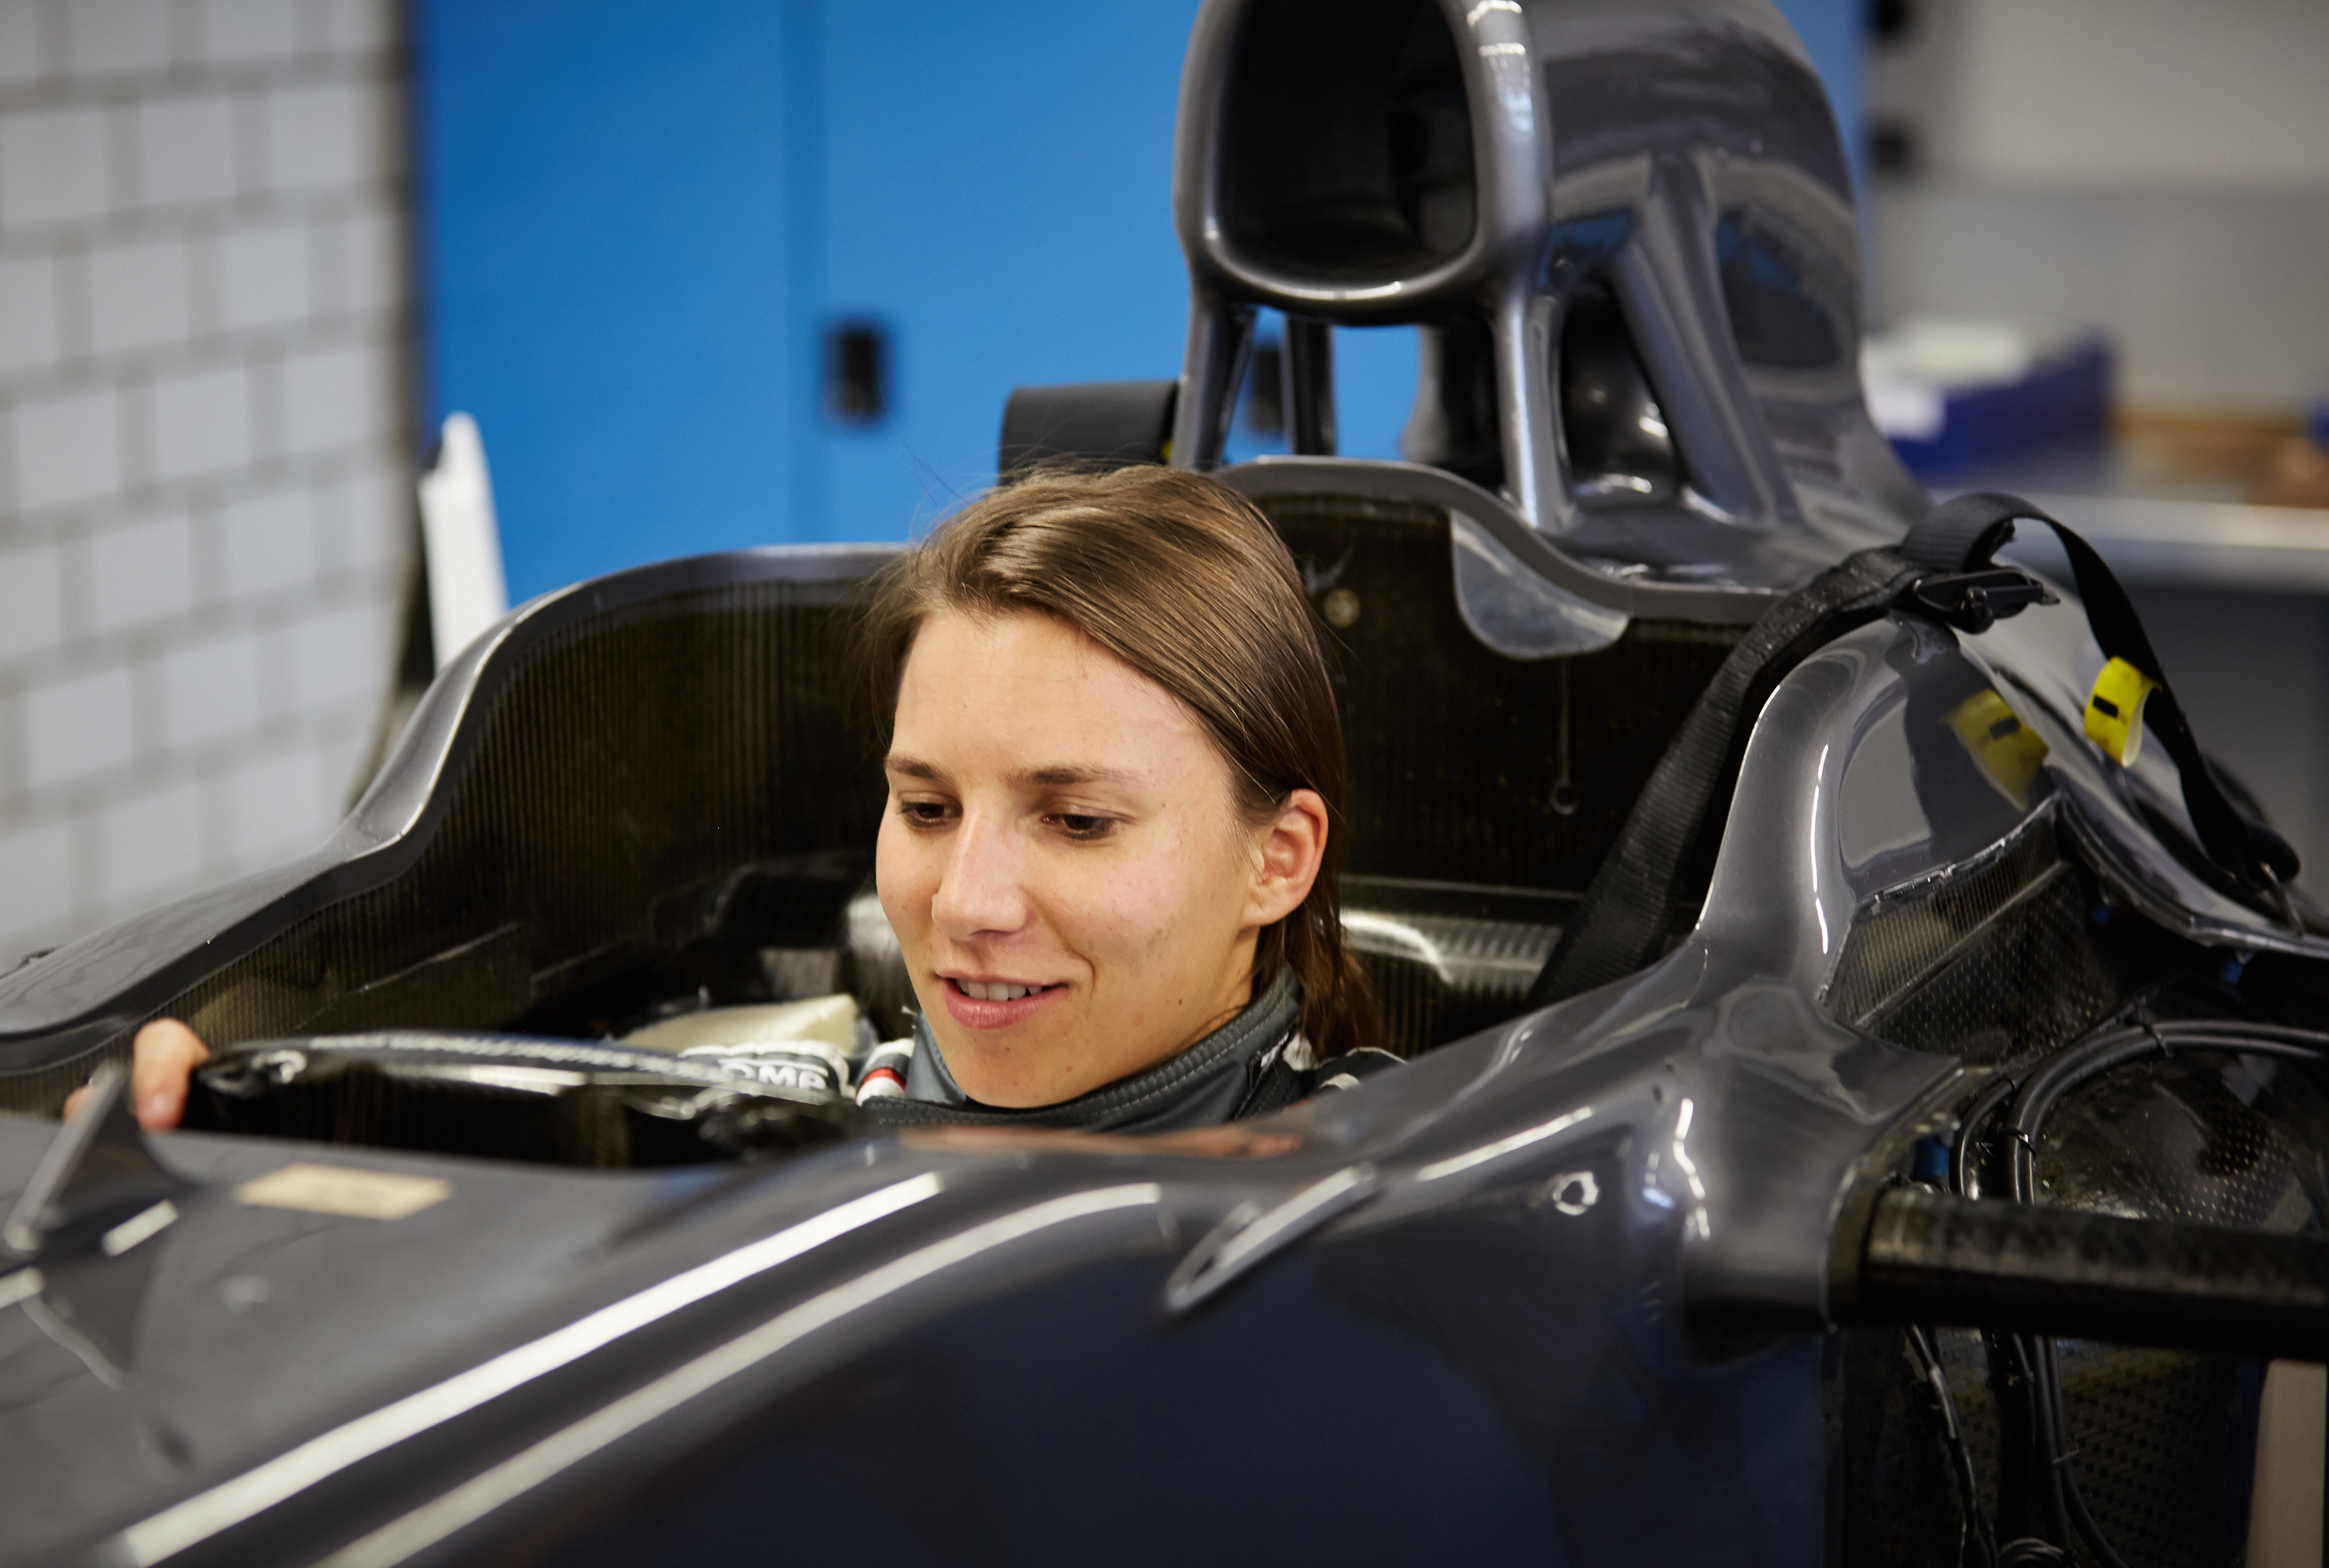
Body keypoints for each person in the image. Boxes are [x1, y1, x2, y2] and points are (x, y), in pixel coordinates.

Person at [77, 466, 1396, 1135]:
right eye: (927, 809)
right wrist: (224, 1140)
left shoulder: (1405, 1204)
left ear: (1276, 861)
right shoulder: (757, 1111)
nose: (967, 903)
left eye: (1078, 820)